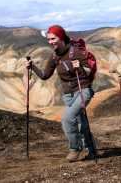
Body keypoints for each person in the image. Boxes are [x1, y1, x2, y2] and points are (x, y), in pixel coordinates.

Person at [25, 25, 95, 162]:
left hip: (82, 91)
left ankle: (75, 149)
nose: (50, 42)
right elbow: (45, 75)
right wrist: (32, 67)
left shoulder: (76, 52)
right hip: (68, 95)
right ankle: (92, 150)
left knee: (67, 119)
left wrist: (79, 67)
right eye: (49, 39)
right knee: (82, 124)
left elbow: (89, 72)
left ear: (61, 37)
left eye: (53, 39)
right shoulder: (54, 56)